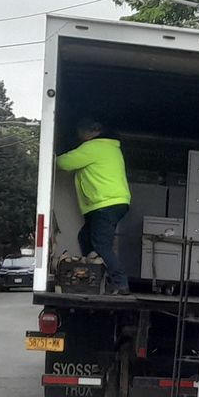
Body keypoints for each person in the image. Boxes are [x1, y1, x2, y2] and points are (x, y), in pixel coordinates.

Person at [55, 117, 132, 293]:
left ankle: (120, 283)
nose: (79, 136)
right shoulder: (111, 148)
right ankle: (92, 269)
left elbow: (65, 163)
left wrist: (48, 160)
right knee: (85, 236)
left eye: (80, 132)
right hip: (112, 202)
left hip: (105, 203)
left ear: (92, 131)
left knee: (102, 245)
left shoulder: (94, 147)